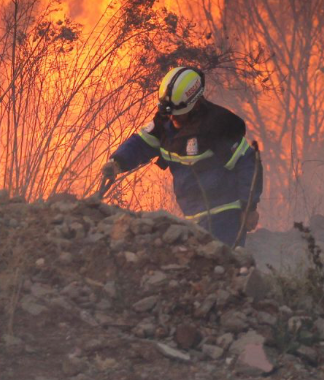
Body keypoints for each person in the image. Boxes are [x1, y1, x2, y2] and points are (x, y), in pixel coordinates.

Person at [100, 66, 262, 246]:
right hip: (193, 217)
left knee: (221, 266)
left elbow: (248, 164)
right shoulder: (165, 125)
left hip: (225, 216)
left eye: (178, 114)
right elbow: (141, 143)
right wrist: (117, 162)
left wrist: (249, 207)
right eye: (169, 113)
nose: (172, 119)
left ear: (196, 104)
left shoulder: (217, 128)